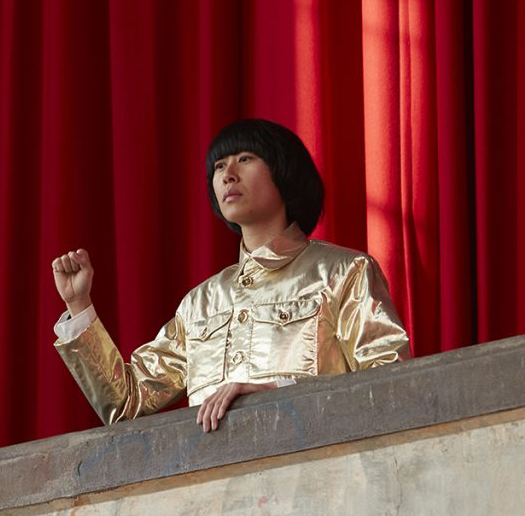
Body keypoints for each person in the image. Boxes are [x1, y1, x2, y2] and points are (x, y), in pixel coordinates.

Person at [52, 118, 410, 433]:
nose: (227, 174)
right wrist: (79, 305)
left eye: (245, 159)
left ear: (284, 170)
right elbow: (127, 404)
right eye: (219, 166)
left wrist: (283, 395)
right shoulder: (200, 303)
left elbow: (391, 384)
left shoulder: (345, 272)